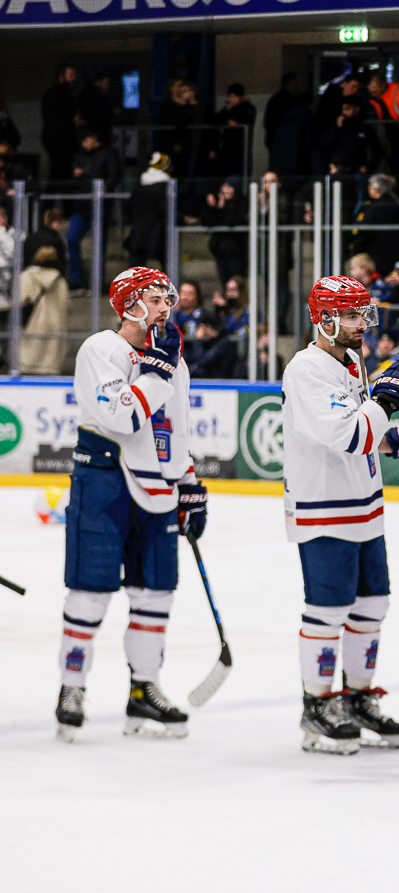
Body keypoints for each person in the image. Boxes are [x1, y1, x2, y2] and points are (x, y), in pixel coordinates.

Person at [281, 276, 399, 754]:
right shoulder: (306, 369)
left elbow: (369, 432)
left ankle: (355, 697)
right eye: (350, 315)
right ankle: (317, 706)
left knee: (373, 604)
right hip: (324, 504)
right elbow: (349, 435)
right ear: (324, 318)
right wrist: (387, 401)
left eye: (361, 314)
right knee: (328, 609)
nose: (361, 324)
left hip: (364, 502)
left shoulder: (352, 362)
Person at [54, 267, 204, 742]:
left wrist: (189, 482)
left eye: (167, 299)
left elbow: (173, 430)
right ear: (129, 304)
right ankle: (71, 686)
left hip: (158, 487)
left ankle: (144, 689)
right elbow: (122, 417)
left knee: (156, 592)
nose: (166, 307)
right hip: (105, 481)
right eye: (155, 299)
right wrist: (158, 371)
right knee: (91, 591)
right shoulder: (103, 349)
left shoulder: (172, 361)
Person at [68, 127, 122, 289]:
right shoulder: (79, 156)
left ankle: (96, 283)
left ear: (93, 137)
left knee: (98, 243)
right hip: (81, 205)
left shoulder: (108, 153)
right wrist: (76, 175)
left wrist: (102, 187)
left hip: (100, 206)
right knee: (71, 238)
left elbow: (114, 176)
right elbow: (72, 179)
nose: (84, 145)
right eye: (82, 142)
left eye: (86, 140)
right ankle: (76, 282)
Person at [19, 246, 70, 375]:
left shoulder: (27, 276)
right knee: (49, 365)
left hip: (32, 324)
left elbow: (20, 300)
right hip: (55, 326)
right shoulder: (61, 281)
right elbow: (66, 304)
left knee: (28, 363)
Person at [349, 174, 399, 282]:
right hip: (394, 254)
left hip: (375, 255)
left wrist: (356, 249)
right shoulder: (396, 204)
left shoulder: (374, 207)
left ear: (375, 188)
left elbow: (364, 231)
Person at [201, 178, 249, 286]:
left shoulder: (241, 203)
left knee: (236, 283)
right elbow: (207, 221)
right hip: (220, 251)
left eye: (229, 187)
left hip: (236, 251)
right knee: (225, 283)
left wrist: (222, 209)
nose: (226, 190)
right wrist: (213, 208)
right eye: (225, 187)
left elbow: (231, 221)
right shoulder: (219, 204)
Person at [127, 153, 171, 268]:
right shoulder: (164, 186)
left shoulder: (140, 184)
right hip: (157, 233)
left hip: (138, 233)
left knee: (136, 269)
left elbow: (127, 208)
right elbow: (165, 209)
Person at [210, 83, 257, 180]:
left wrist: (236, 121)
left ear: (241, 97)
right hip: (227, 147)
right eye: (231, 97)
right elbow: (215, 120)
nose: (232, 99)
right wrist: (228, 110)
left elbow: (246, 120)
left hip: (241, 147)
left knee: (241, 172)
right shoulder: (227, 109)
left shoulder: (248, 108)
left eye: (235, 97)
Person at [41, 63, 79, 182]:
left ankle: (58, 198)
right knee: (60, 173)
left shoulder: (63, 93)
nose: (74, 78)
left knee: (60, 172)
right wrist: (72, 121)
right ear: (61, 76)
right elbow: (54, 117)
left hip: (59, 138)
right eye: (70, 75)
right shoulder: (59, 94)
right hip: (59, 138)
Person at [184, 310, 240, 379]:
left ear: (208, 327)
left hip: (220, 383)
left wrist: (197, 340)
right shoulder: (211, 342)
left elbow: (203, 360)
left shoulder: (224, 343)